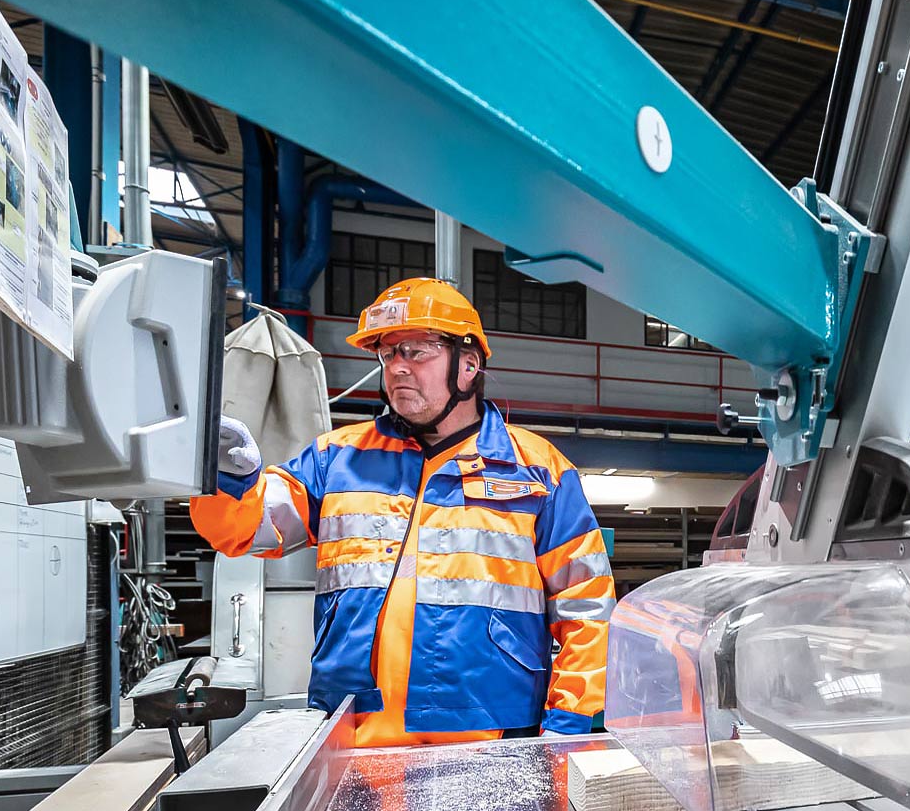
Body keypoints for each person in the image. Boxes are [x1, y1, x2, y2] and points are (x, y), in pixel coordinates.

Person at [192, 277, 612, 747]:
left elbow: (587, 607)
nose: (398, 368)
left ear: (468, 364)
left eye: (417, 351)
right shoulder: (338, 459)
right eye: (388, 354)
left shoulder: (539, 471)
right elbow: (250, 532)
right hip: (352, 734)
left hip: (493, 737)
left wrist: (568, 726)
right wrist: (232, 481)